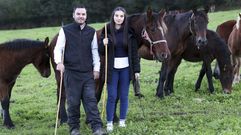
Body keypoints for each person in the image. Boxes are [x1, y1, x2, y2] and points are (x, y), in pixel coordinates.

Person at [54, 4, 107, 135]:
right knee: (73, 102)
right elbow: (58, 48)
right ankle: (74, 128)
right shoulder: (65, 30)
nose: (81, 16)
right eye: (78, 14)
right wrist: (59, 62)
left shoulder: (91, 31)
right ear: (74, 15)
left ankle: (97, 127)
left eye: (83, 14)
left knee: (91, 100)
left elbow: (95, 51)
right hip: (71, 73)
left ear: (86, 16)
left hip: (87, 73)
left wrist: (96, 69)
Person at [99, 6, 140, 132]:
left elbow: (134, 53)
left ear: (124, 17)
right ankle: (110, 122)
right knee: (112, 96)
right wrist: (103, 43)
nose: (119, 18)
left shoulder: (130, 32)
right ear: (113, 16)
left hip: (126, 69)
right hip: (112, 69)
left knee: (124, 96)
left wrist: (137, 70)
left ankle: (122, 120)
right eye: (116, 16)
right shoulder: (107, 30)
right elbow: (101, 51)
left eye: (121, 16)